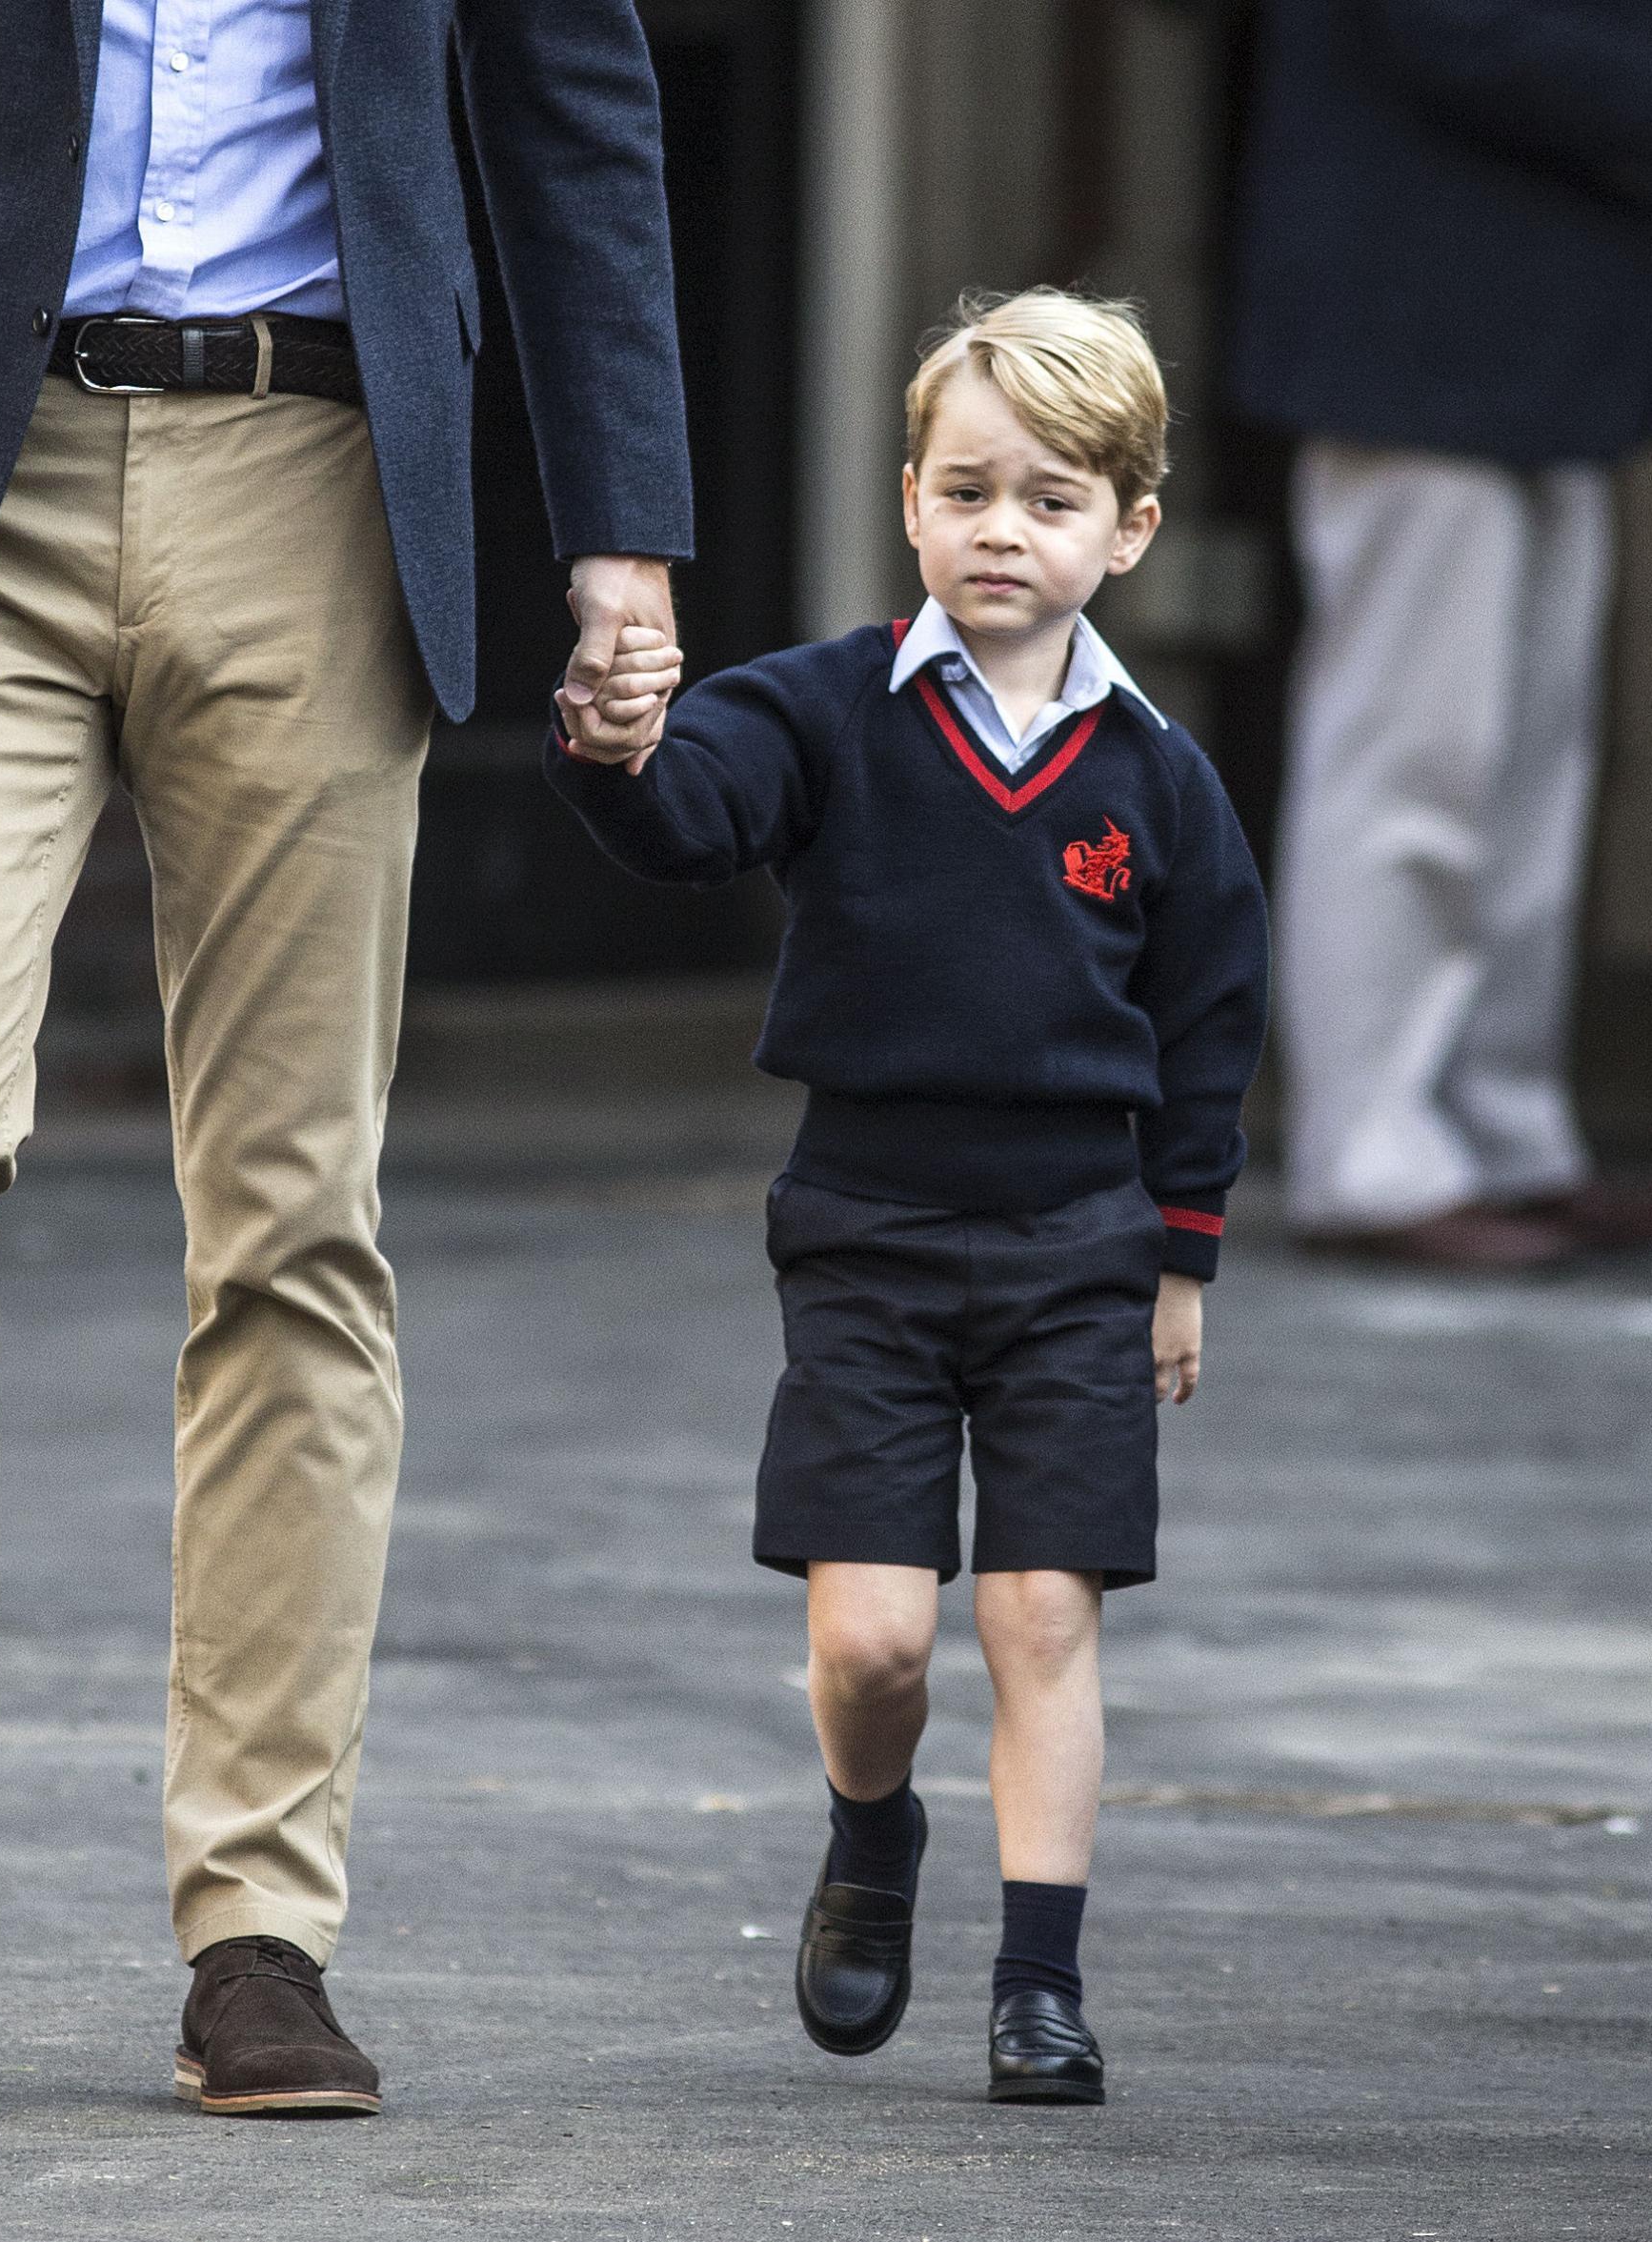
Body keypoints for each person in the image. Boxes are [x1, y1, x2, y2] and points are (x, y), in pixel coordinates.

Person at [0, 0, 692, 2114]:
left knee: (293, 1216)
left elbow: (568, 90)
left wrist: (617, 522)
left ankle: (260, 1923)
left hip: (319, 465)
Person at [547, 291, 1269, 2103]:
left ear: (1132, 530)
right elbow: (691, 813)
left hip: (1081, 1250)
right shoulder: (824, 711)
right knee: (872, 1637)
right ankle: (874, 1833)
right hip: (866, 1234)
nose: (1002, 531)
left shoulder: (1160, 784)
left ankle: (1041, 1983)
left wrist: (1182, 1258)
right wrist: (622, 749)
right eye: (967, 492)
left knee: (1042, 1614)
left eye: (1050, 499)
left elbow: (1209, 1025)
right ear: (909, 503)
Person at [1230, 0, 1652, 1267]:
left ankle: (1498, 1130)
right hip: (1417, 307)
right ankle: (1375, 1150)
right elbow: (1465, 27)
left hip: (1541, 322)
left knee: (1530, 763)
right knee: (1414, 753)